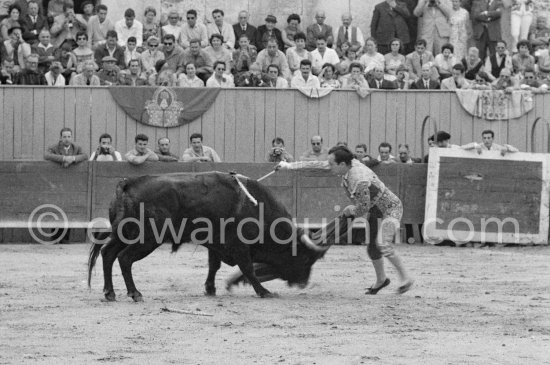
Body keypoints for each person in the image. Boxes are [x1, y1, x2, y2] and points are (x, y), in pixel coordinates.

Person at [277, 146, 414, 294]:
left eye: (332, 164)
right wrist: (289, 166)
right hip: (376, 210)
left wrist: (351, 209)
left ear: (342, 164)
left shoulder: (359, 179)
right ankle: (381, 280)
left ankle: (406, 279)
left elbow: (362, 208)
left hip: (390, 209)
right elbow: (319, 165)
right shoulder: (348, 164)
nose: (328, 167)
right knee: (373, 248)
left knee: (382, 244)